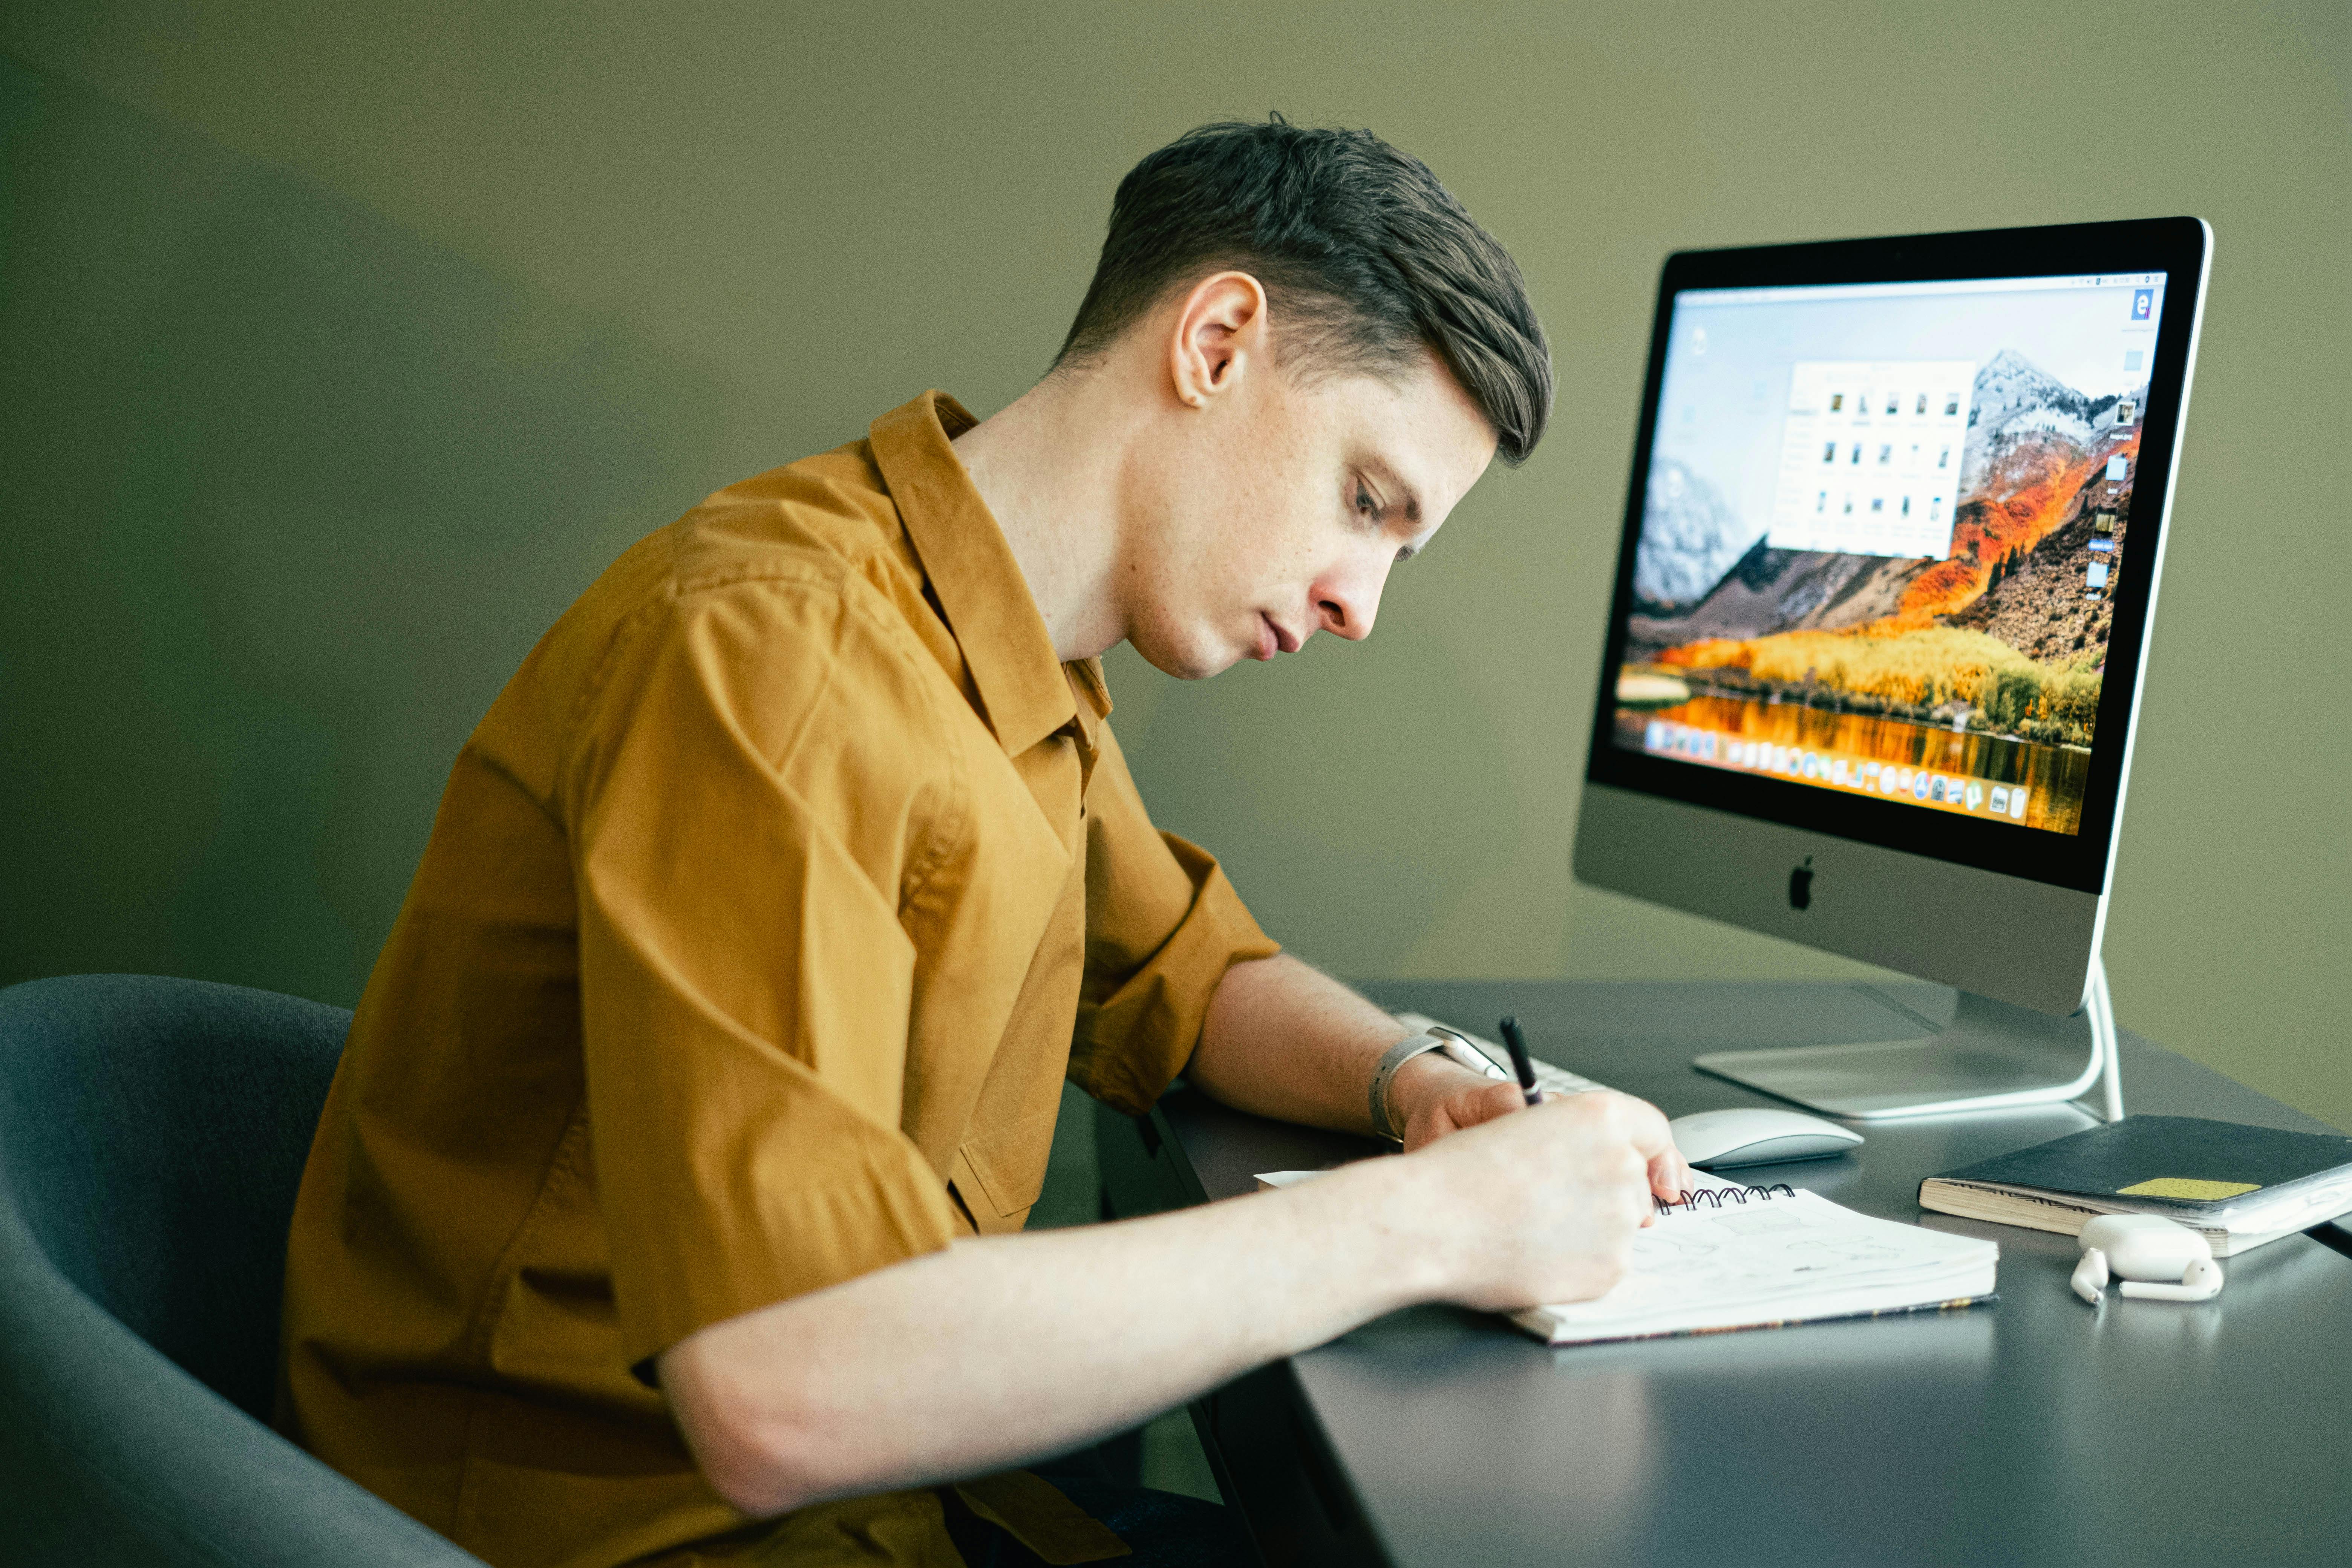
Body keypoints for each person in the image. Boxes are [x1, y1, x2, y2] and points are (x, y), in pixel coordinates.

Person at [277, 115, 1690, 1568]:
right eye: (1364, 501)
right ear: (1214, 342)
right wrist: (1431, 1227)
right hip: (643, 1532)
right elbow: (784, 1383)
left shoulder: (1019, 661)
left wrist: (1417, 1087)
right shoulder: (784, 655)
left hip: (889, 1507)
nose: (1360, 606)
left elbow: (1194, 978)